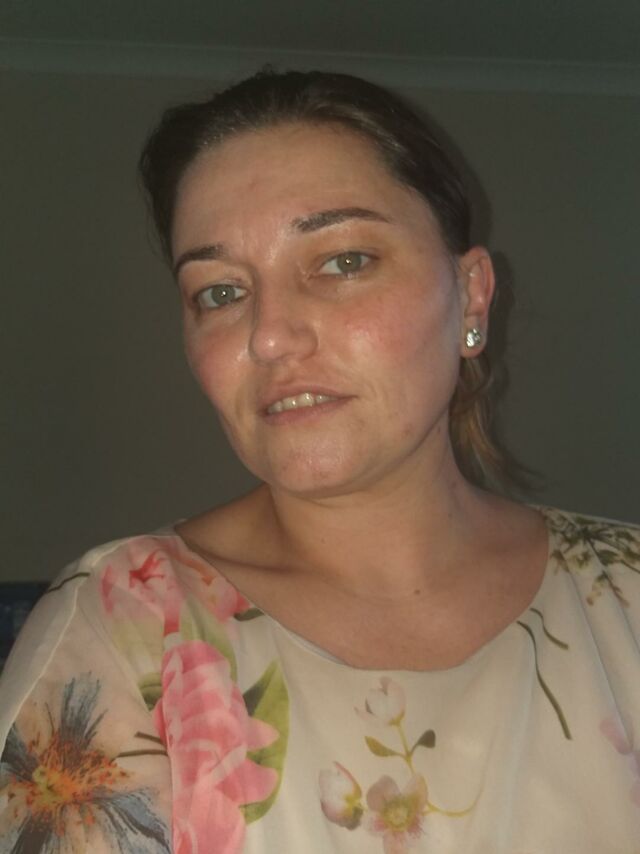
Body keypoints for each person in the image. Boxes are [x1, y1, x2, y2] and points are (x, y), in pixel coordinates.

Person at [0, 69, 638, 854]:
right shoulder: (121, 634)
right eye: (220, 292)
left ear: (472, 296)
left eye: (342, 262)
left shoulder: (627, 598)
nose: (269, 335)